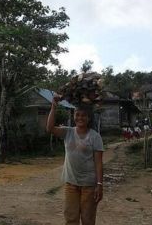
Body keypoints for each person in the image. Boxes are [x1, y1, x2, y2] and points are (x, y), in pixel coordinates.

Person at [47, 95, 104, 225]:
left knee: (87, 220)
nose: (80, 118)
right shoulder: (68, 132)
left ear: (89, 118)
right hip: (71, 184)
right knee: (71, 218)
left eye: (83, 115)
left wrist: (99, 185)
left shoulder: (95, 137)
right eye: (77, 115)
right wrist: (53, 107)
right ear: (73, 116)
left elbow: (99, 163)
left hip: (89, 185)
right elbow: (49, 128)